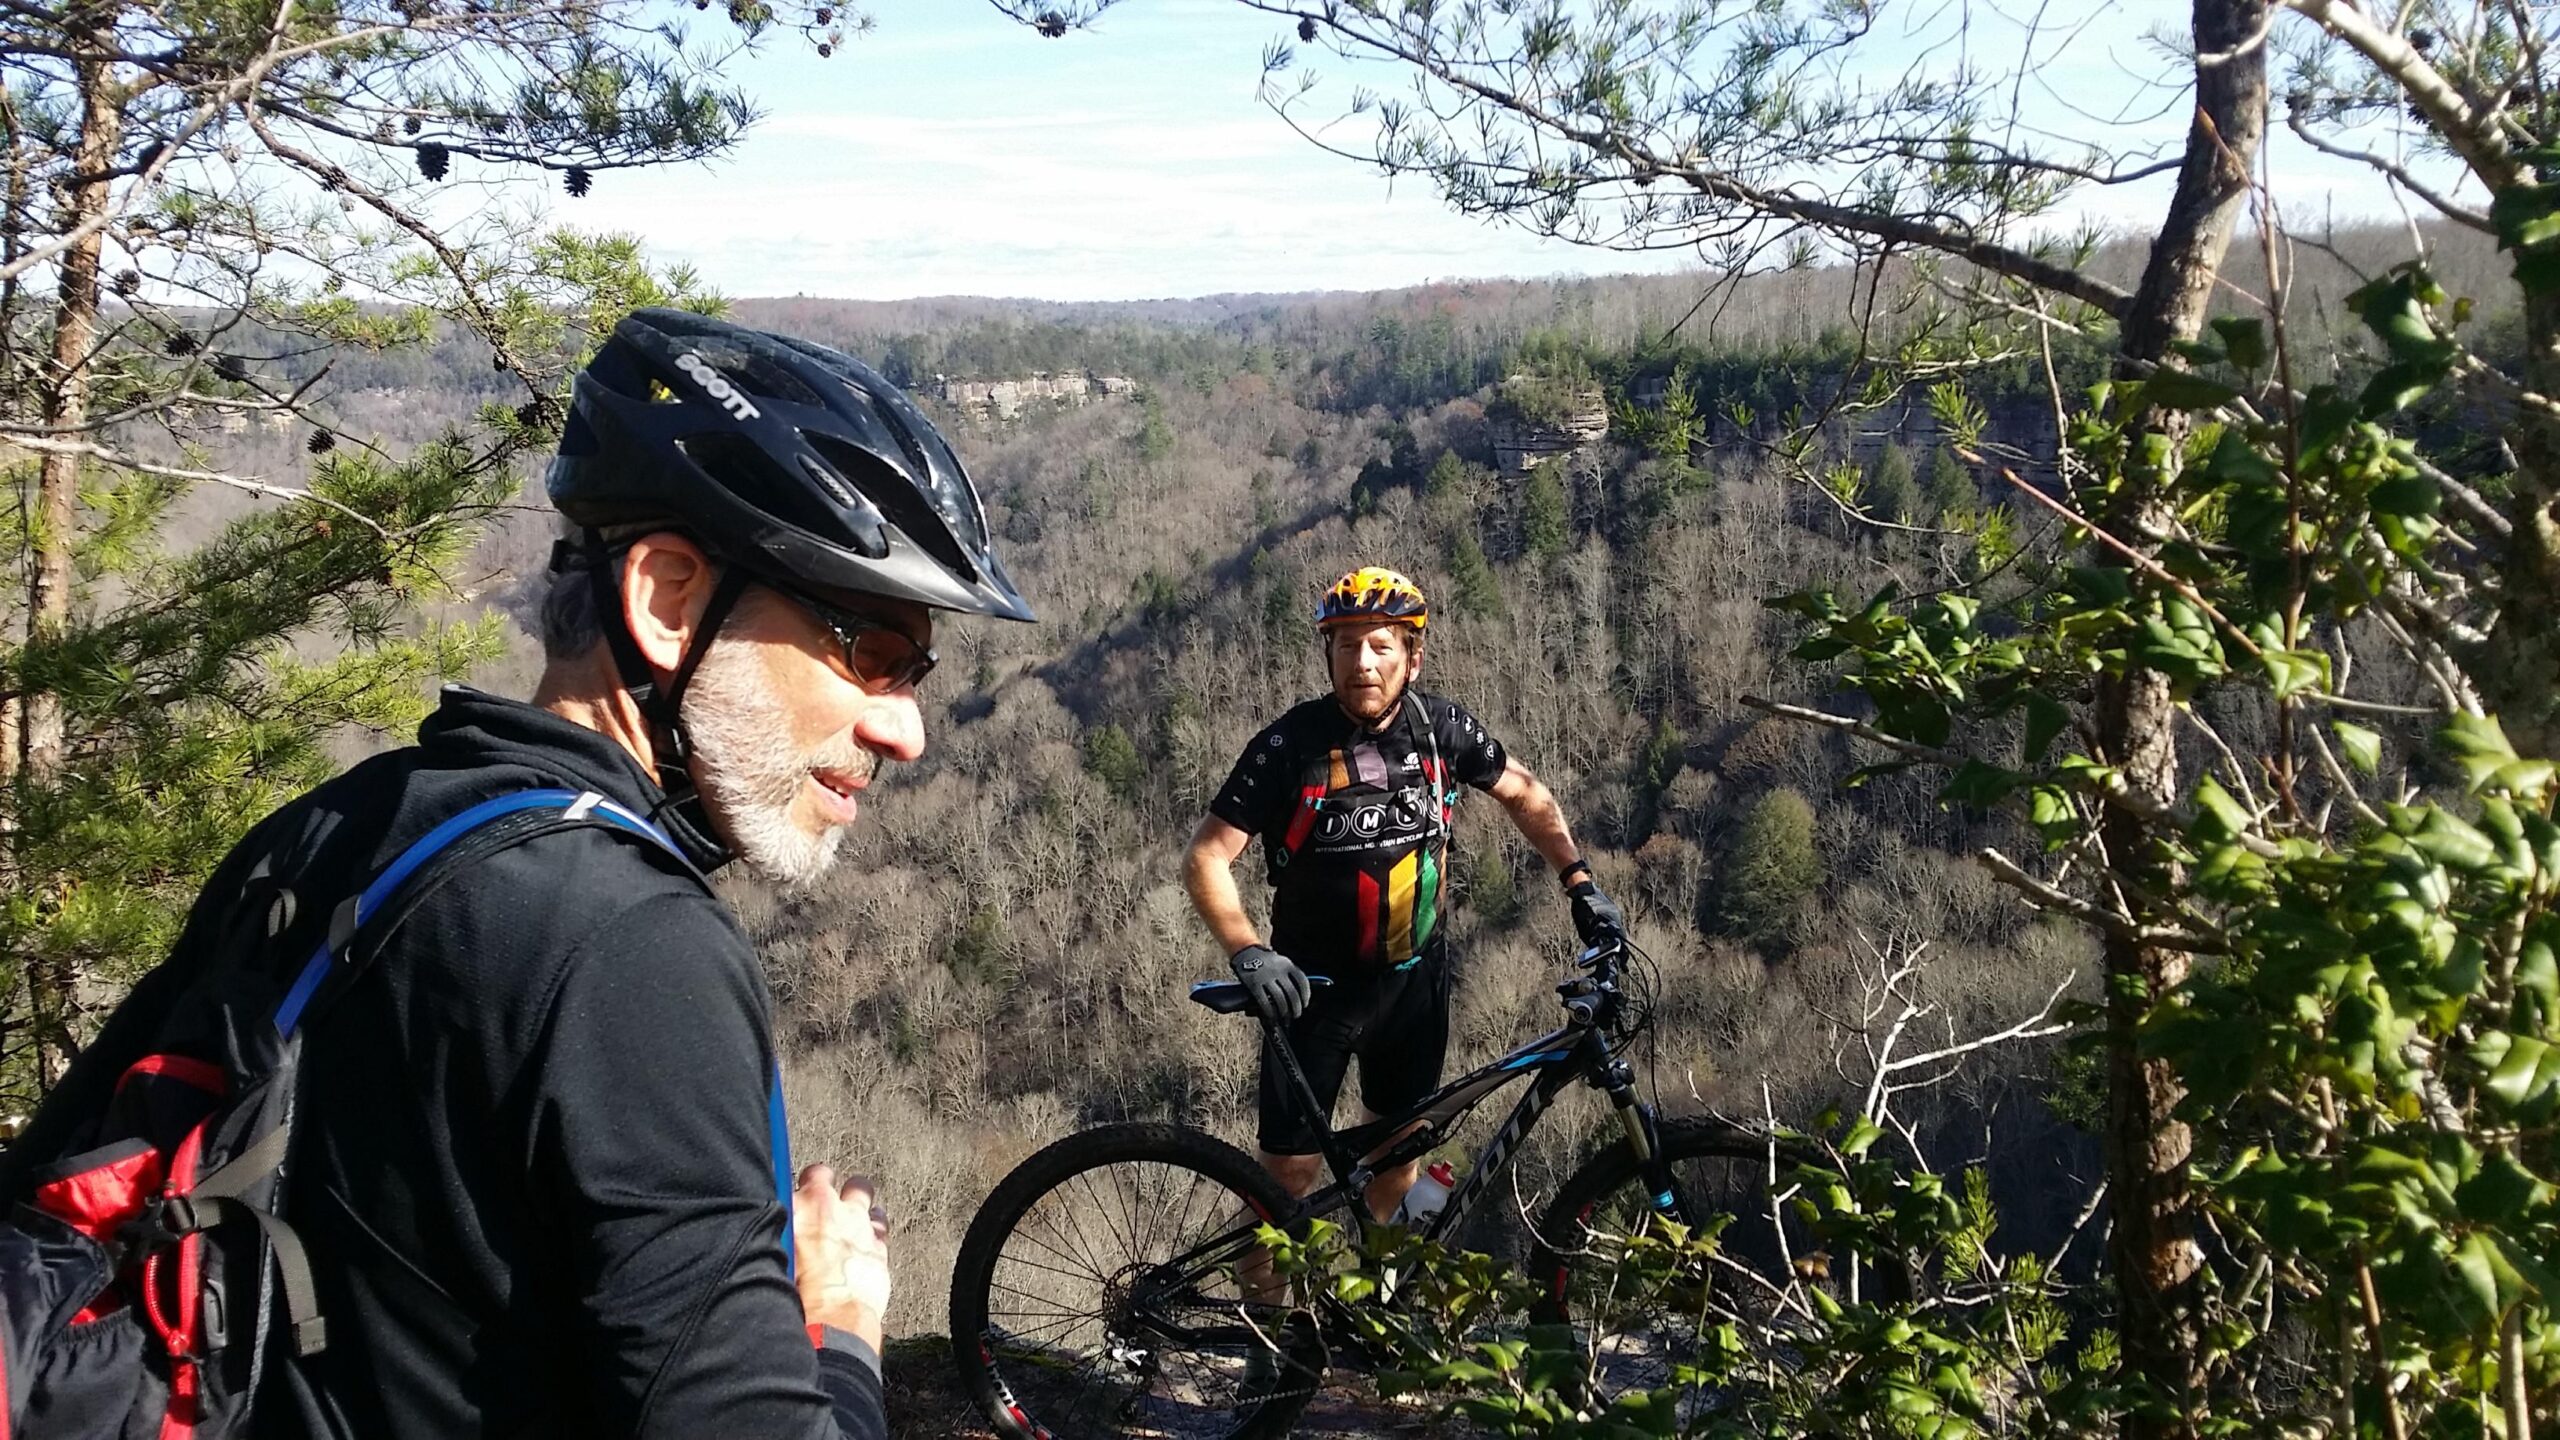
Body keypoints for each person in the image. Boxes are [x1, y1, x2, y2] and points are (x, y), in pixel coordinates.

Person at [3, 309, 1034, 1439]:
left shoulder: (340, 824)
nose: (906, 731)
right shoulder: (632, 946)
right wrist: (837, 1327)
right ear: (668, 597)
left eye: (918, 671)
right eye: (871, 654)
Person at [1182, 566, 1622, 1224]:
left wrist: (1579, 882)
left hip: (1413, 989)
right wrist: (1247, 951)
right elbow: (1207, 856)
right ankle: (1262, 1324)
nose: (1362, 662)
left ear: (1413, 658)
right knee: (1285, 1183)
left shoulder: (1441, 730)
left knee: (1397, 1162)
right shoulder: (1289, 745)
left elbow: (1526, 795)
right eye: (1346, 644)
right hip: (1309, 993)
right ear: (1327, 654)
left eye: (1381, 645)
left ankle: (1371, 1306)